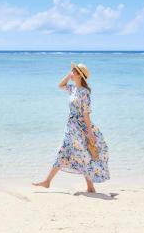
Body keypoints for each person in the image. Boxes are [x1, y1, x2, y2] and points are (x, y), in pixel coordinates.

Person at [33, 62, 110, 193]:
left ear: (80, 76)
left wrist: (90, 133)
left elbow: (86, 113)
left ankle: (90, 186)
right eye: (73, 70)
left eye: (74, 71)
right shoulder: (72, 89)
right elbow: (60, 85)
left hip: (79, 127)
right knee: (64, 152)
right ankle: (48, 181)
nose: (72, 72)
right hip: (70, 127)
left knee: (82, 153)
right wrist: (68, 76)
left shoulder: (84, 92)